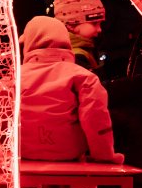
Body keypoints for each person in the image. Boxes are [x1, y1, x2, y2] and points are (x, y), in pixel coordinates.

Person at [52, 0, 142, 188]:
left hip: (72, 113)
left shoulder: (74, 50)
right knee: (129, 126)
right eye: (94, 23)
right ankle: (127, 185)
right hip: (74, 116)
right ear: (72, 25)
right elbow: (96, 93)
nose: (99, 29)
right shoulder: (76, 55)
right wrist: (136, 85)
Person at [18, 16, 125, 164]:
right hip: (68, 155)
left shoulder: (14, 77)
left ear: (29, 43)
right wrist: (104, 155)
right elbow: (95, 118)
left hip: (23, 154)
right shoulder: (83, 76)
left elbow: (0, 119)